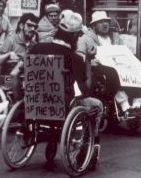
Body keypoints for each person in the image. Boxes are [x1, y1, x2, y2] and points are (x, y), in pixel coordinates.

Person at [30, 9, 103, 167]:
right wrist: (88, 60)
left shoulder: (36, 48)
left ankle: (51, 140)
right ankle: (87, 150)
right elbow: (86, 90)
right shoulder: (74, 58)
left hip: (35, 104)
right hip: (62, 107)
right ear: (75, 36)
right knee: (97, 105)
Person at [77, 11, 141, 117]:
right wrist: (89, 61)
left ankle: (137, 105)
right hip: (99, 70)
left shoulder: (115, 37)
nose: (105, 24)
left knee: (137, 70)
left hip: (119, 66)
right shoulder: (86, 38)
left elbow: (124, 52)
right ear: (94, 25)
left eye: (106, 22)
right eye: (101, 22)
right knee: (113, 72)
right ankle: (125, 105)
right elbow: (79, 55)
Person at [0, 13, 39, 97]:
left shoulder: (34, 45)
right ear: (21, 26)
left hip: (28, 84)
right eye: (29, 25)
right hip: (9, 84)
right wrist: (9, 54)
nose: (32, 29)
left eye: (35, 27)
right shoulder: (11, 41)